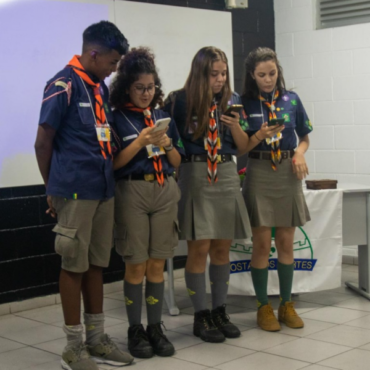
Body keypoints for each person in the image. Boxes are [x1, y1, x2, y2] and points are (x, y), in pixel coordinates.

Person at [34, 21, 133, 370]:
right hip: (74, 190)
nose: (114, 69)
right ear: (93, 53)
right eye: (111, 62)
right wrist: (52, 188)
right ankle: (73, 347)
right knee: (73, 265)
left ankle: (97, 340)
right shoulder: (63, 85)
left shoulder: (98, 88)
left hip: (103, 188)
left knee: (96, 264)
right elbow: (43, 141)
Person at [164, 46, 251, 343]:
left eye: (224, 73)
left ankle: (219, 310)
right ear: (201, 73)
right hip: (196, 172)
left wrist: (236, 126)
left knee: (222, 249)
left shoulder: (233, 101)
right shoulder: (179, 100)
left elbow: (242, 147)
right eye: (214, 74)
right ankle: (201, 315)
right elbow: (170, 144)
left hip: (226, 173)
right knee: (199, 248)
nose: (220, 79)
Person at [109, 47, 185, 358]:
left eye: (151, 87)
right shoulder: (116, 118)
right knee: (136, 265)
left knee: (158, 263)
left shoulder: (162, 116)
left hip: (164, 190)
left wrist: (166, 144)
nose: (146, 93)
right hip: (132, 192)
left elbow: (178, 160)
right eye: (140, 88)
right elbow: (113, 163)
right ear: (127, 86)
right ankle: (134, 329)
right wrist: (141, 141)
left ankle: (155, 327)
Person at [241, 47, 312, 332]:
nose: (268, 79)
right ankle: (262, 307)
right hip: (258, 171)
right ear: (252, 76)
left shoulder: (291, 99)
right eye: (262, 75)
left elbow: (304, 137)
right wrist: (259, 135)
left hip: (287, 170)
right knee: (260, 244)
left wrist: (300, 154)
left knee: (285, 242)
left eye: (272, 73)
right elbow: (241, 146)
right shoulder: (244, 102)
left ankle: (286, 304)